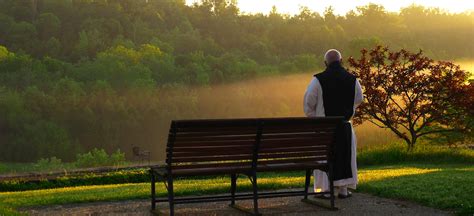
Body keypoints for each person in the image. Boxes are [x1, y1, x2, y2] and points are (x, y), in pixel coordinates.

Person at [303, 49, 363, 198]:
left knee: (325, 158)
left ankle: (325, 190)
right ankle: (343, 190)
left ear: (325, 63)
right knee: (344, 157)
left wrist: (316, 118)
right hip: (345, 126)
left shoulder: (318, 80)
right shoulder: (352, 79)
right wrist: (349, 110)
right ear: (341, 61)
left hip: (325, 128)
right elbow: (359, 99)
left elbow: (308, 103)